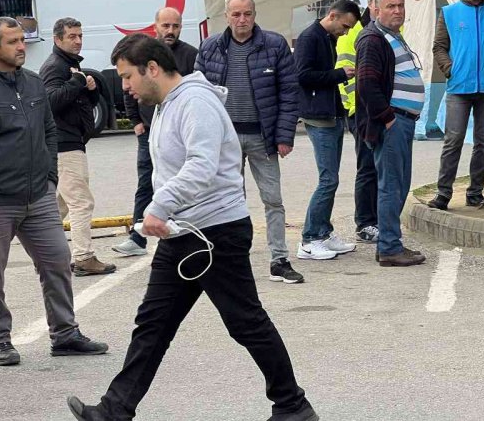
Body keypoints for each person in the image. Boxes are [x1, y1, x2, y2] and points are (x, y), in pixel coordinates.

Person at [66, 34, 318, 421]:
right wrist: (164, 213)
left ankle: (293, 406)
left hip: (215, 233)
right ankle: (114, 410)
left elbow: (201, 166)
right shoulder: (167, 104)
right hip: (183, 232)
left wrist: (158, 208)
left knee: (245, 322)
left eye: (128, 77)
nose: (126, 88)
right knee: (153, 323)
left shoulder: (196, 103)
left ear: (153, 68)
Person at [0, 17, 108, 366]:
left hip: (38, 196)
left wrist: (50, 178)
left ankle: (65, 333)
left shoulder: (35, 84)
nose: (21, 47)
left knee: (57, 262)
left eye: (22, 40)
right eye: (12, 42)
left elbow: (50, 132)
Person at [195, 0, 303, 283]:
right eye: (236, 14)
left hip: (263, 137)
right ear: (227, 16)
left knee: (273, 200)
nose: (242, 20)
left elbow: (289, 93)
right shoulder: (210, 47)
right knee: (228, 200)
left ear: (255, 15)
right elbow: (199, 95)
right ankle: (231, 260)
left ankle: (279, 259)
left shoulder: (275, 44)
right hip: (224, 140)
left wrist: (284, 136)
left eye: (247, 14)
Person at [113, 7, 198, 258]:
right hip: (149, 130)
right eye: (166, 26)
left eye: (176, 26)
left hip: (204, 230)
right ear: (156, 26)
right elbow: (129, 92)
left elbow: (199, 167)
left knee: (173, 177)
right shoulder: (141, 55)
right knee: (147, 181)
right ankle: (138, 236)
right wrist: (135, 121)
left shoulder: (190, 64)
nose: (170, 30)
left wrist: (160, 209)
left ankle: (172, 227)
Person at [355, 0, 426, 267]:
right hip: (392, 122)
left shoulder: (391, 36)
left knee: (398, 184)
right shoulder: (373, 39)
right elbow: (366, 84)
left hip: (401, 120)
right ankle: (389, 248)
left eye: (401, 5)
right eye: (390, 6)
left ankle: (388, 243)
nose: (398, 11)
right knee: (391, 186)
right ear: (375, 10)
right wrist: (387, 117)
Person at [40, 17, 116, 276]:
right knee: (81, 203)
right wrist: (77, 83)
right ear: (57, 39)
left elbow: (78, 101)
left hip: (70, 142)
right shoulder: (55, 66)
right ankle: (83, 257)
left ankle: (45, 253)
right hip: (64, 145)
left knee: (59, 206)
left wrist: (89, 89)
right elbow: (49, 102)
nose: (78, 41)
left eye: (80, 35)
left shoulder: (69, 65)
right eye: (72, 36)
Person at [428, 0, 484, 210]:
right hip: (458, 87)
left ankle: (475, 193)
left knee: (482, 143)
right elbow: (439, 46)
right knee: (453, 140)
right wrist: (450, 68)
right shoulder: (449, 13)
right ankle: (443, 193)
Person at [295, 0, 362, 260]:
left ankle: (323, 232)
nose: (345, 32)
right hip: (317, 116)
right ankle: (309, 239)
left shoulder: (326, 36)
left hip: (332, 114)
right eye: (344, 26)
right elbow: (301, 75)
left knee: (331, 179)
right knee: (328, 180)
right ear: (332, 15)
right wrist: (339, 75)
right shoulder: (309, 37)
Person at [335, 0, 392, 243]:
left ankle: (378, 218)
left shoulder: (387, 31)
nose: (393, 10)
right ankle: (365, 222)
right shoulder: (356, 33)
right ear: (371, 5)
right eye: (386, 4)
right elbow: (348, 75)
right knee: (367, 167)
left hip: (379, 109)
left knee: (380, 167)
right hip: (362, 111)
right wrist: (353, 109)